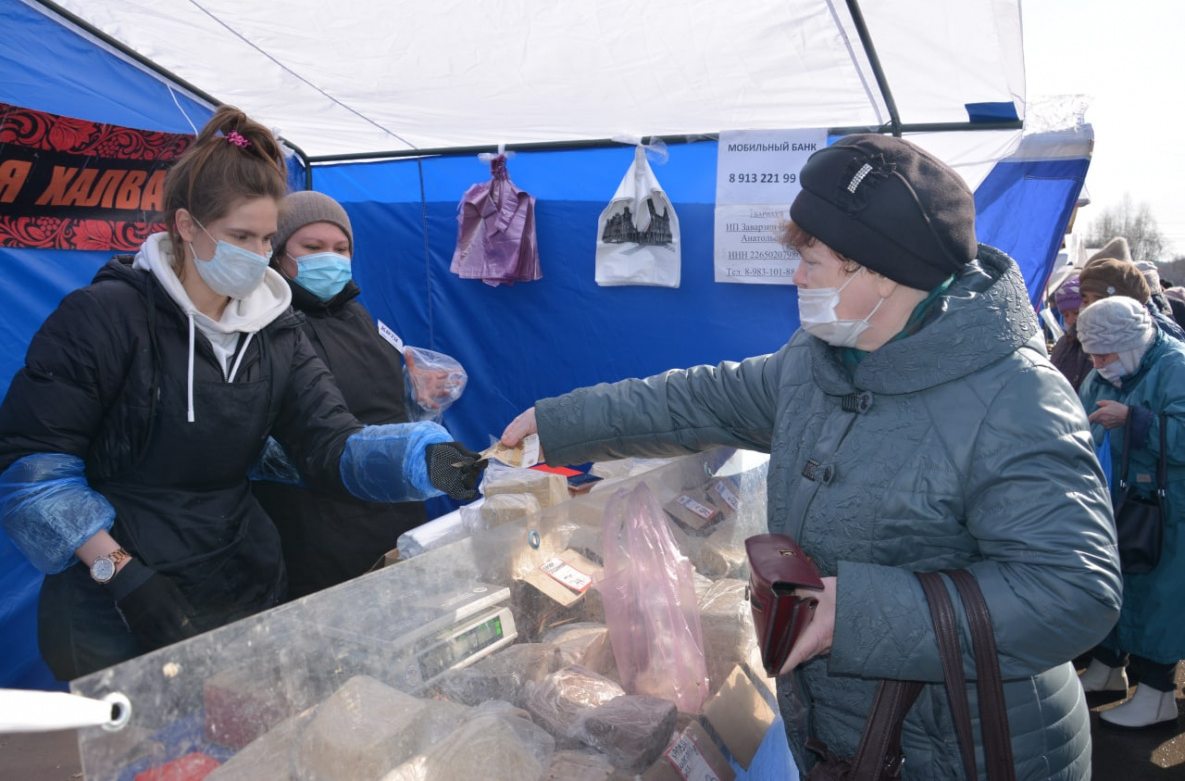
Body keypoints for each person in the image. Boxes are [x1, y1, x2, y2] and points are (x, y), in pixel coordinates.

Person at [500, 134, 1121, 778]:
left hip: (968, 748)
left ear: (879, 270)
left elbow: (1073, 590)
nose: (796, 277)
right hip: (855, 740)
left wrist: (852, 612)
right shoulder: (818, 360)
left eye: (813, 261)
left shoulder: (1014, 395)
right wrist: (560, 424)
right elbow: (696, 401)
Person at [0, 107, 487, 680]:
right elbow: (33, 473)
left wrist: (427, 461)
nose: (257, 255)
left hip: (240, 581)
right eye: (239, 236)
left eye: (264, 238)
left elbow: (328, 442)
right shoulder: (105, 318)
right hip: (120, 602)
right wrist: (122, 576)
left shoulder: (275, 329)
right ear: (185, 226)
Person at [252, 191, 466, 598]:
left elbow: (377, 404)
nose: (329, 258)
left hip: (395, 509)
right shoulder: (271, 326)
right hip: (319, 521)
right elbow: (278, 436)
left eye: (340, 248)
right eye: (312, 248)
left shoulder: (357, 312)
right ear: (278, 254)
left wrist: (414, 393)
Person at [1074, 296, 1185, 729]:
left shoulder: (1174, 366)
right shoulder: (1107, 371)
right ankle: (1107, 668)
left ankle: (1158, 694)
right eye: (1093, 355)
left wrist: (1137, 421)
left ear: (1134, 344)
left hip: (1170, 510)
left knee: (1161, 597)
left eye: (1107, 354)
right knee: (1115, 585)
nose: (1100, 364)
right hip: (1118, 503)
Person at [1078, 257, 1185, 342]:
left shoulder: (1159, 335)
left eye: (1099, 300)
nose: (1089, 308)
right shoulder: (1092, 334)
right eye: (1085, 301)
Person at [1049, 274, 1093, 390]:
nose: (1070, 320)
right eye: (1065, 315)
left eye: (1076, 313)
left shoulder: (1097, 343)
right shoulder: (1063, 343)